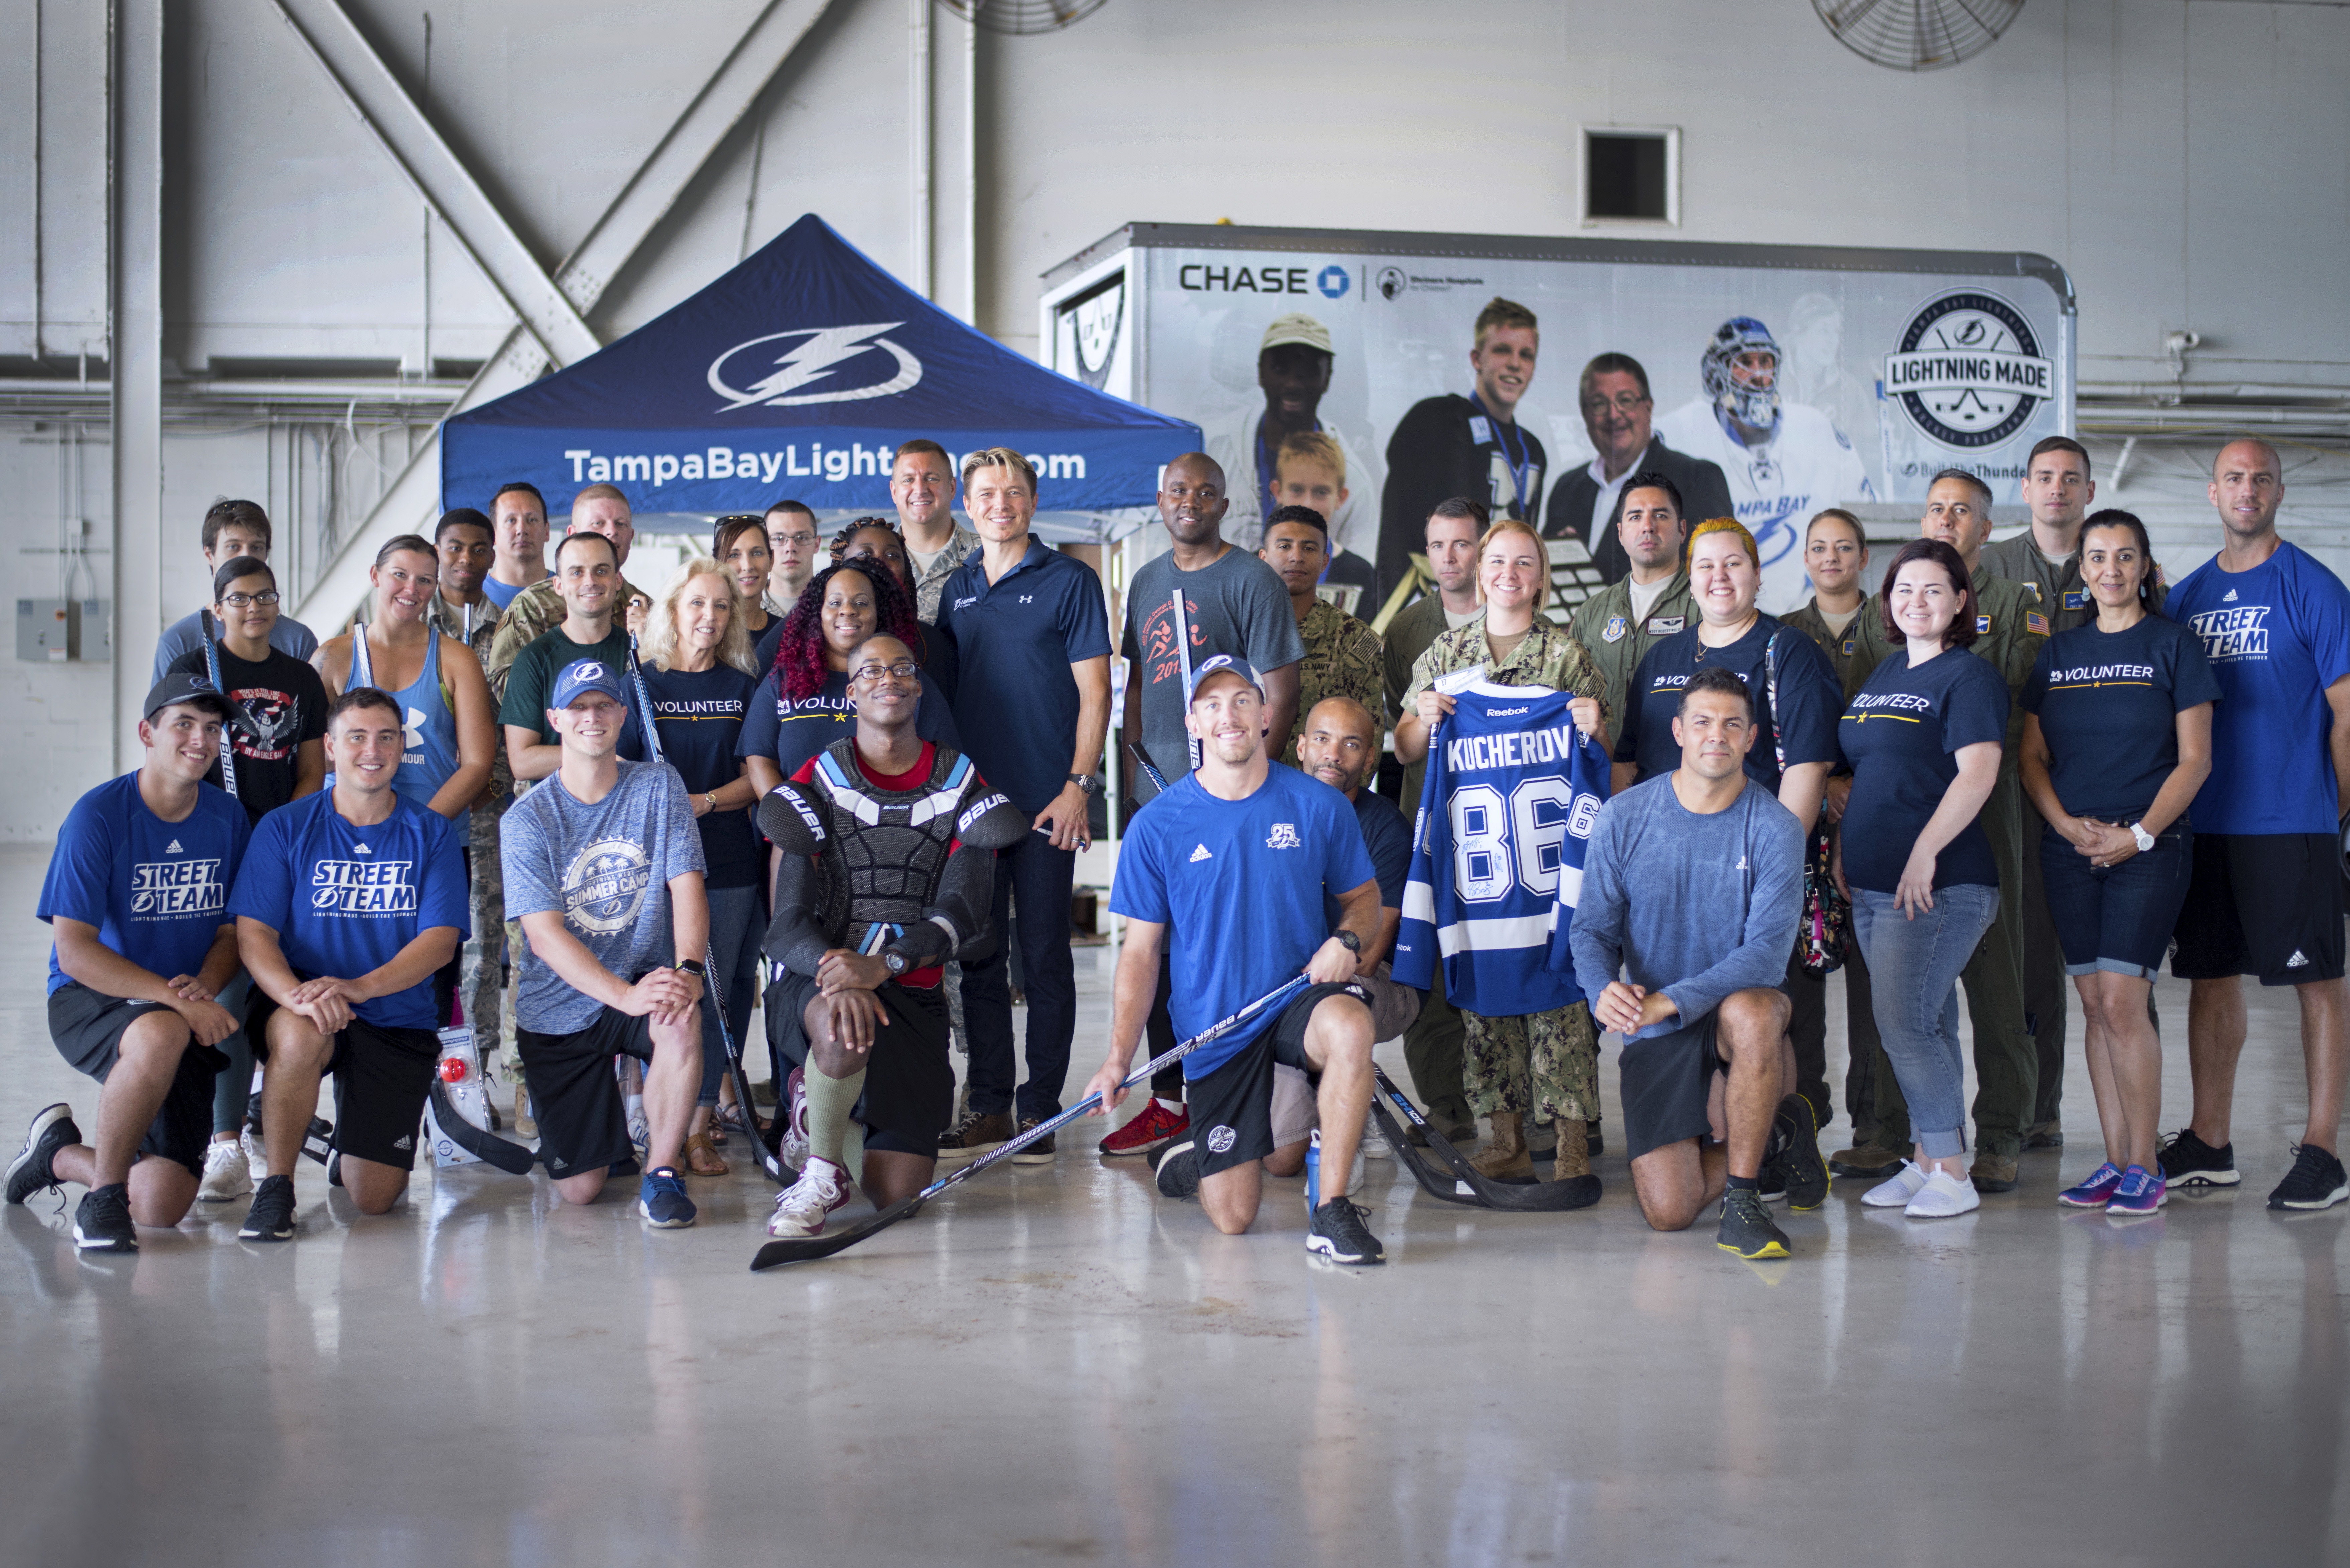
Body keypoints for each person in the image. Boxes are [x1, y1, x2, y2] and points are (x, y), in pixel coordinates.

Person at [1085, 656, 1388, 1265]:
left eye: (1243, 701)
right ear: (1193, 722)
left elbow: (1364, 899)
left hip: (1296, 999)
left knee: (1351, 1025)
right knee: (1233, 1218)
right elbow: (1140, 955)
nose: (1229, 715)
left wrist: (1347, 942)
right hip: (1217, 1026)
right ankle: (1197, 1154)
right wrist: (1117, 1057)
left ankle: (1331, 1211)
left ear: (1266, 715)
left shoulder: (1318, 804)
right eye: (1213, 704)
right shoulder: (1156, 826)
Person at [756, 634, 1029, 1238]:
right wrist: (842, 973)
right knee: (842, 1021)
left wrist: (886, 965)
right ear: (851, 694)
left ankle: (819, 1117)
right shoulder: (819, 777)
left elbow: (964, 912)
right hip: (817, 984)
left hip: (911, 992)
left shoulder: (961, 780)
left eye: (902, 669)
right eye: (872, 671)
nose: (889, 679)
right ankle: (820, 1173)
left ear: (918, 688)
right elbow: (787, 922)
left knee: (897, 1194)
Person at [1838, 470, 2048, 1191]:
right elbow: (1871, 771)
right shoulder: (1884, 671)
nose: (1915, 601)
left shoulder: (1967, 676)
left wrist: (1923, 852)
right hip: (1873, 883)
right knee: (1921, 1023)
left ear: (1961, 600)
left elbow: (1977, 774)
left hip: (1936, 878)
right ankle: (1930, 1159)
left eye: (1933, 590)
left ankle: (1952, 1173)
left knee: (1907, 1024)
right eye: (1904, 590)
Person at [1571, 667, 1820, 1257]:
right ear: (1679, 731)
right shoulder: (1623, 817)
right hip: (1658, 1028)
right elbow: (1591, 931)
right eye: (1703, 722)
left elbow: (1765, 955)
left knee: (1754, 1012)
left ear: (1751, 738)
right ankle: (1779, 1132)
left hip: (1734, 1011)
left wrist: (1669, 1000)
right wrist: (1602, 988)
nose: (1717, 735)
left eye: (1732, 725)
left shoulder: (1776, 827)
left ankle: (1743, 1199)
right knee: (1669, 1211)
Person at [2161, 439, 2350, 1210]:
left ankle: (2322, 1152)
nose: (2247, 490)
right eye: (2233, 478)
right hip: (2204, 826)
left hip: (2290, 822)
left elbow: (2346, 716)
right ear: (2213, 493)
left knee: (2315, 981)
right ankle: (2209, 1141)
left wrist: (2330, 809)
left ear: (2277, 493)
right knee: (2210, 977)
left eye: (2261, 478)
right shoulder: (2186, 597)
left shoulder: (2313, 588)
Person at [1394, 518, 1609, 1184]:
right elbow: (1403, 747)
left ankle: (1571, 1141)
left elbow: (1598, 758)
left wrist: (1593, 727)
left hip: (1547, 864)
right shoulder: (1444, 655)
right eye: (1497, 562)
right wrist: (1423, 717)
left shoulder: (1566, 656)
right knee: (1485, 1001)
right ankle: (1506, 1140)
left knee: (1560, 996)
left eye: (1523, 563)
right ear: (1478, 573)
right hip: (1477, 866)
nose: (1508, 574)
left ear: (1540, 577)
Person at [1612, 517, 1840, 1134]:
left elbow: (1807, 769)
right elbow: (1629, 763)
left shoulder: (1787, 651)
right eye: (1705, 565)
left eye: (1733, 563)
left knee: (1766, 1012)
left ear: (1757, 574)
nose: (1719, 577)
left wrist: (1770, 869)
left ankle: (1787, 1146)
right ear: (1688, 579)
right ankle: (1704, 1136)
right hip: (1669, 878)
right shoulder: (1662, 657)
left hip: (1756, 872)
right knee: (1683, 1010)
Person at [7, 676, 251, 1252]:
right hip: (91, 996)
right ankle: (102, 1202)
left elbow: (230, 931)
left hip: (178, 1008)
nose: (200, 739)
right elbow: (75, 951)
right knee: (162, 1030)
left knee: (161, 1207)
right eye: (184, 725)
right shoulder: (97, 816)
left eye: (212, 728)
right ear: (147, 733)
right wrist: (179, 1000)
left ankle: (59, 1154)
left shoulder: (228, 817)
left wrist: (205, 986)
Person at [2019, 511, 2217, 1216]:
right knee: (2093, 1007)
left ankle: (2145, 1166)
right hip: (2070, 848)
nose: (2111, 570)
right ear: (2082, 570)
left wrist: (2137, 835)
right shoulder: (2057, 653)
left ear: (2144, 567)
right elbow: (2031, 756)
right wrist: (2064, 825)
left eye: (2125, 556)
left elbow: (2195, 761)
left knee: (2124, 1003)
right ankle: (2113, 1160)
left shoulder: (2173, 644)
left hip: (2150, 848)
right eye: (2098, 557)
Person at [227, 688, 468, 1240]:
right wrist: (294, 995)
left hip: (394, 1011)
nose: (372, 750)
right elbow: (254, 934)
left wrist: (360, 987)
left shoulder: (430, 831)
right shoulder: (285, 826)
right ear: (331, 748)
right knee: (300, 1034)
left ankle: (346, 1144)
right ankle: (277, 1187)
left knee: (374, 1198)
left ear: (402, 746)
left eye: (386, 737)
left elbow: (438, 942)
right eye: (356, 737)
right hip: (306, 1001)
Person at [934, 449, 1112, 1163]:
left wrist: (1078, 786)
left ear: (1033, 503)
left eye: (1013, 492)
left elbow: (1096, 695)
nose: (1000, 504)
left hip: (1046, 803)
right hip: (972, 808)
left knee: (1042, 958)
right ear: (967, 506)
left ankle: (1039, 1108)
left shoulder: (1070, 580)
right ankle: (988, 1107)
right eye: (986, 494)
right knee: (978, 959)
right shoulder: (957, 589)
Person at [1982, 437, 2161, 1150]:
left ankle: (2136, 1133)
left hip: (2113, 789)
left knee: (2120, 973)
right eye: (2043, 477)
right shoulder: (1990, 568)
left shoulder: (2121, 567)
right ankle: (2034, 1108)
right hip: (2017, 784)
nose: (2056, 488)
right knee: (2031, 956)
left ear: (2090, 490)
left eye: (2070, 478)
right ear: (2025, 488)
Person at [500, 658, 709, 1226]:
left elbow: (686, 884)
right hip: (558, 1006)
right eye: (577, 708)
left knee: (679, 1013)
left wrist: (688, 970)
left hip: (640, 977)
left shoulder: (658, 784)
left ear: (621, 715)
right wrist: (624, 996)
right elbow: (544, 936)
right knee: (581, 1190)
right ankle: (605, 1133)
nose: (591, 717)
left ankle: (661, 1173)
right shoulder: (526, 819)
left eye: (602, 706)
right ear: (555, 720)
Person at [163, 556, 330, 1203]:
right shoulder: (196, 670)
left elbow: (312, 770)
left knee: (270, 982)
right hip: (217, 842)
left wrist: (283, 834)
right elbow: (180, 756)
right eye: (239, 598)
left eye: (265, 596)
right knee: (226, 980)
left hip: (278, 847)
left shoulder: (300, 677)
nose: (254, 608)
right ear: (218, 608)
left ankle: (260, 1124)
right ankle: (223, 1139)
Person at [638, 559, 764, 1177]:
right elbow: (622, 771)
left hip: (730, 855)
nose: (708, 617)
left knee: (722, 994)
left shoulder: (743, 686)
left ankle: (698, 1126)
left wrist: (706, 801)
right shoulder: (642, 684)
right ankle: (663, 1121)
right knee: (673, 994)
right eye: (696, 603)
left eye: (720, 606)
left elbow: (757, 777)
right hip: (661, 864)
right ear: (673, 610)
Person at [1780, 509, 1892, 1173]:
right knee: (1797, 978)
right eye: (1819, 547)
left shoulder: (1893, 624)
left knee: (1873, 982)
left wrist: (1855, 788)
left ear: (1863, 558)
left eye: (1843, 547)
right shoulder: (1781, 634)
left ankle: (1876, 1125)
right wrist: (1821, 785)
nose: (1831, 558)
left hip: (1878, 820)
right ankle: (1800, 1117)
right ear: (1804, 558)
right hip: (1801, 821)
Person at [1376, 497, 1485, 1146]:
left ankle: (1529, 1107)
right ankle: (1446, 1104)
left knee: (1507, 965)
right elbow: (1400, 736)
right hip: (1430, 825)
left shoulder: (1524, 625)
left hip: (1502, 831)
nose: (1448, 558)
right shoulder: (1407, 630)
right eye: (1437, 545)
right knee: (1430, 970)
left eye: (1462, 544)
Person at [1655, 317, 1875, 612]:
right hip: (1716, 610)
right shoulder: (1679, 433)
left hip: (1804, 609)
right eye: (1744, 363)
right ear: (1716, 373)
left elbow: (1860, 513)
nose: (1759, 375)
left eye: (1766, 362)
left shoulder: (1815, 428)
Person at [1123, 451, 1306, 792]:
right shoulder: (1145, 581)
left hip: (1227, 788)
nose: (1190, 502)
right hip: (1154, 790)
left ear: (1222, 508)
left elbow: (1282, 698)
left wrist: (1244, 785)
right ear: (1161, 502)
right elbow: (1136, 692)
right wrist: (1133, 786)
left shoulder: (1255, 580)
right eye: (1179, 491)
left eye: (1205, 493)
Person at [316, 535, 499, 821]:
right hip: (348, 830)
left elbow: (478, 764)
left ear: (435, 586)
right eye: (399, 575)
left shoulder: (458, 660)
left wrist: (419, 830)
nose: (411, 589)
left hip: (435, 829)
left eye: (424, 580)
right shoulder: (333, 658)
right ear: (375, 576)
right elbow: (309, 760)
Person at [739, 561, 957, 795]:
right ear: (818, 613)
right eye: (835, 603)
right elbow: (760, 763)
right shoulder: (784, 679)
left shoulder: (905, 680)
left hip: (892, 816)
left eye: (861, 603)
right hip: (795, 815)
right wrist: (790, 814)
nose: (848, 610)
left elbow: (946, 763)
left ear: (879, 613)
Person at [1378, 297, 1548, 597]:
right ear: (1476, 359)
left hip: (1505, 597)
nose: (1515, 363)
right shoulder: (1437, 420)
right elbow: (1399, 525)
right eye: (1502, 350)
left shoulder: (1533, 449)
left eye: (1526, 355)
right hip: (1444, 597)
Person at [422, 508, 509, 1086]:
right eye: (455, 547)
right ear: (438, 551)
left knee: (483, 938)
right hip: (424, 807)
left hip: (488, 808)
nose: (466, 559)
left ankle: (471, 1072)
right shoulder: (410, 617)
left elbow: (518, 717)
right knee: (431, 936)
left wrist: (489, 782)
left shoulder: (510, 626)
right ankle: (423, 1068)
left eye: (479, 549)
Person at [1203, 314, 1380, 591]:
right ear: (1261, 373)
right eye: (1280, 369)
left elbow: (1355, 584)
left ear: (1326, 378)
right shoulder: (1215, 451)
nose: (1292, 384)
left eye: (1306, 373)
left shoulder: (1354, 479)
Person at [1546, 352, 1733, 586]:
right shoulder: (1566, 489)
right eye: (1599, 404)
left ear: (1648, 408)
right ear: (1585, 415)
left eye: (1625, 401)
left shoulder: (1698, 480)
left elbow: (1718, 579)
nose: (1613, 415)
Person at [497, 531, 649, 784]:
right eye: (577, 573)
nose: (590, 581)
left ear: (618, 580)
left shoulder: (641, 653)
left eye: (601, 571)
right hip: (558, 806)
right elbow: (523, 763)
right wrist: (607, 753)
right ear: (558, 585)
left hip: (632, 801)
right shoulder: (533, 659)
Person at [484, 484, 650, 706]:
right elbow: (509, 690)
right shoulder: (533, 605)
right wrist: (582, 704)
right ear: (573, 534)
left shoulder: (648, 608)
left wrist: (649, 644)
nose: (612, 531)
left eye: (620, 524)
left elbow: (670, 683)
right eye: (598, 524)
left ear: (631, 536)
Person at [1567, 472, 1698, 724]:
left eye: (1660, 515)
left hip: (1675, 750)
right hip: (1605, 749)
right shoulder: (1591, 613)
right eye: (1635, 517)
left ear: (1682, 530)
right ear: (1620, 533)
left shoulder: (1704, 606)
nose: (1648, 527)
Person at [1257, 504, 1382, 769]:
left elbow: (1370, 737)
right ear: (1263, 558)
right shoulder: (1236, 629)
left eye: (1309, 548)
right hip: (1244, 787)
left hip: (1321, 790)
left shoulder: (1353, 639)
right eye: (1284, 546)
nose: (1296, 557)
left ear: (1325, 561)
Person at [151, 499, 319, 682]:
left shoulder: (298, 639)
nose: (246, 556)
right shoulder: (178, 641)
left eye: (256, 547)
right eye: (233, 547)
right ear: (209, 555)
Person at [804, 515, 961, 700]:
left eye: (892, 555)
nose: (880, 563)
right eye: (865, 554)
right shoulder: (802, 636)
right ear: (842, 563)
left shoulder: (933, 644)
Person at [1266, 432, 1376, 611]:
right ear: (1278, 491)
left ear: (1340, 497)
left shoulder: (1360, 573)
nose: (1308, 504)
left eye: (1321, 492)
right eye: (1297, 490)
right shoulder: (1253, 567)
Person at [890, 440, 981, 623]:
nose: (920, 490)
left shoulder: (986, 555)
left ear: (952, 488)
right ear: (894, 492)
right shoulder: (875, 560)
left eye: (931, 479)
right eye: (908, 480)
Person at [483, 481, 551, 611]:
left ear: (547, 532)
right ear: (493, 534)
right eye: (511, 521)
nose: (522, 529)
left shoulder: (569, 592)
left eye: (532, 520)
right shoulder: (474, 596)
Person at [714, 514, 778, 653]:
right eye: (734, 555)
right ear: (717, 565)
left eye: (757, 553)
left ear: (772, 561)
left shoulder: (786, 632)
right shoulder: (708, 631)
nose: (748, 566)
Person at [766, 499, 822, 612]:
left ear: (816, 545)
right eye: (779, 539)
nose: (791, 548)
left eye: (802, 538)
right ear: (765, 546)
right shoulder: (741, 609)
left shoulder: (837, 608)